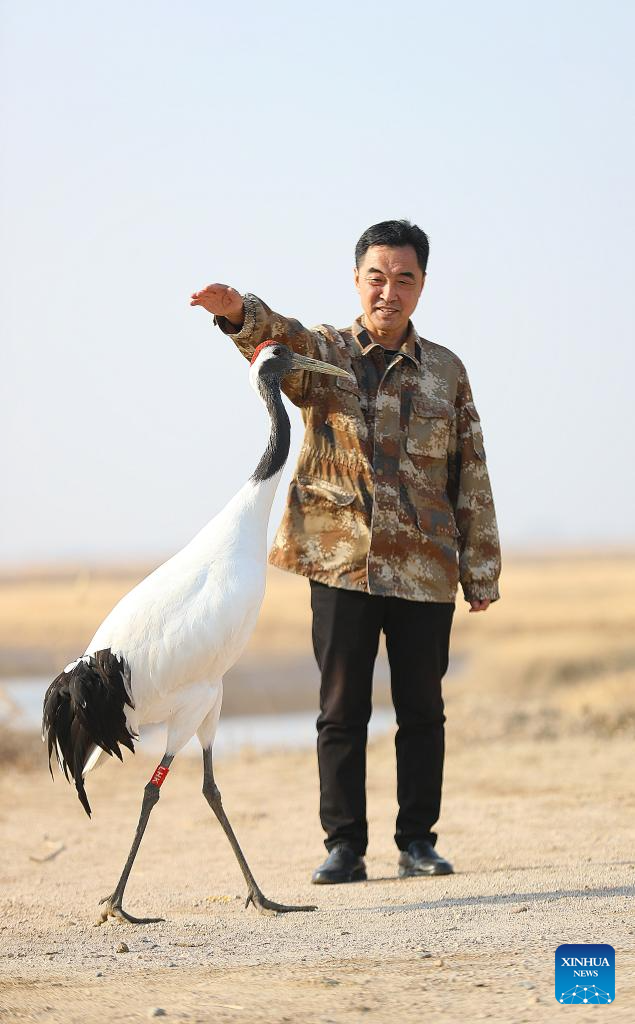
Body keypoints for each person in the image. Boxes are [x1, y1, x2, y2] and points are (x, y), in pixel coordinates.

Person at [190, 219, 501, 884]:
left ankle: (417, 842)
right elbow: (277, 336)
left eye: (404, 278)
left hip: (424, 568)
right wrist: (239, 313)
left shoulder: (446, 371)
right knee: (340, 708)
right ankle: (344, 846)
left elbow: (469, 473)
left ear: (420, 285)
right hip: (340, 564)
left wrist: (479, 571)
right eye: (376, 277)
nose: (389, 290)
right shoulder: (322, 354)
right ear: (357, 281)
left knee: (422, 709)